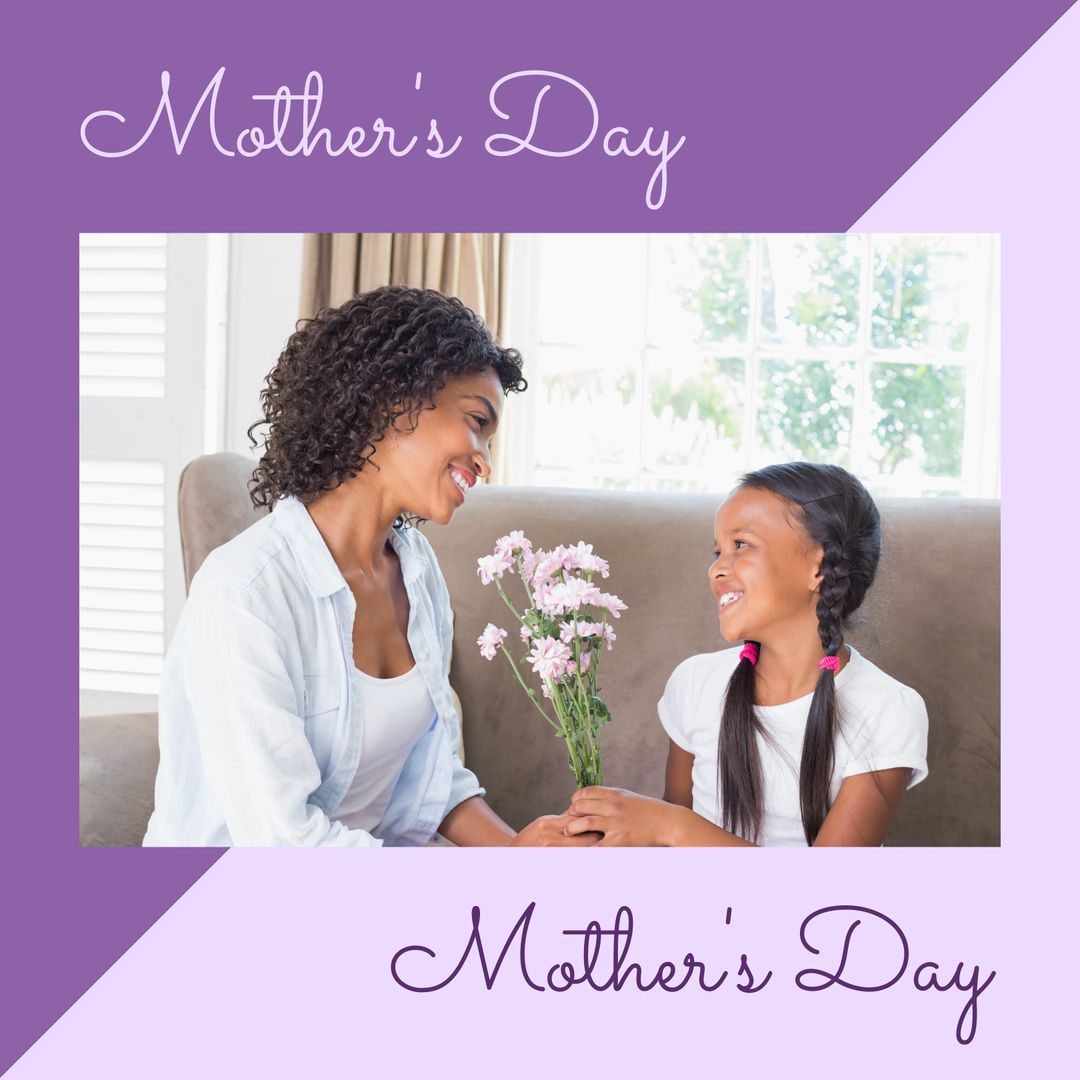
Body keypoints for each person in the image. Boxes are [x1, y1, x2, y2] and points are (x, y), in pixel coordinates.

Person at [144, 285, 593, 847]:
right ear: (392, 398)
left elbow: (429, 779)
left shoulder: (416, 570)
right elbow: (285, 848)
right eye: (476, 420)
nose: (483, 458)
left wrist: (519, 854)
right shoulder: (245, 593)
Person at [564, 461, 928, 847]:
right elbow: (669, 852)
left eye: (741, 545)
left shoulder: (889, 709)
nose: (716, 570)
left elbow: (830, 891)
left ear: (818, 566)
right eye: (717, 550)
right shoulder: (695, 682)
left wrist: (670, 824)